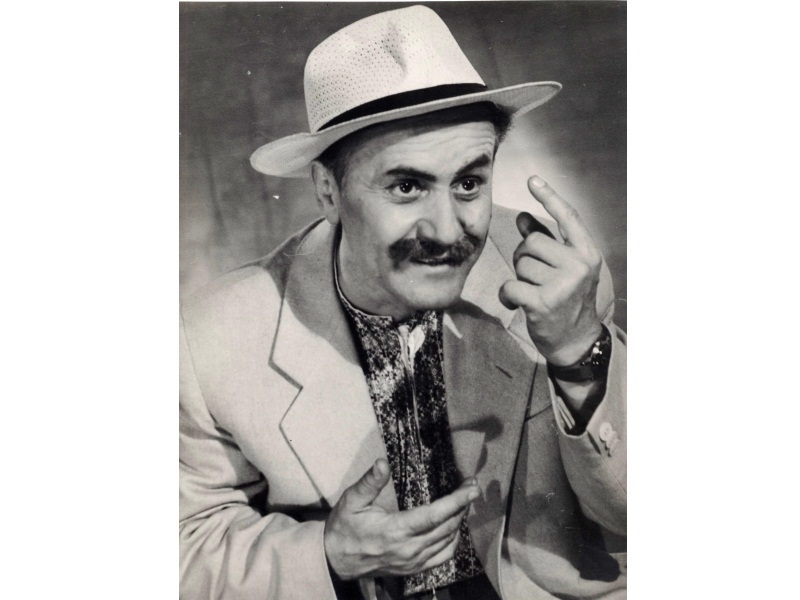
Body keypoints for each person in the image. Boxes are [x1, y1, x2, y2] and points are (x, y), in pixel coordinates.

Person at [180, 5, 626, 600]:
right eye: (407, 186)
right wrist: (327, 553)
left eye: (468, 182)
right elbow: (180, 547)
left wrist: (579, 353)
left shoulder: (559, 282)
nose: (447, 230)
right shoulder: (210, 338)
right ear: (328, 192)